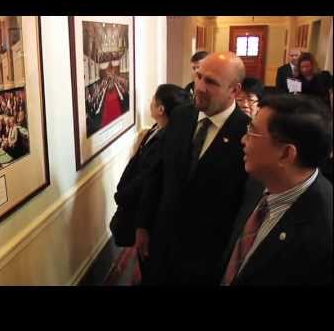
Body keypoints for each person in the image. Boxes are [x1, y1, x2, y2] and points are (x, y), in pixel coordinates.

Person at [139, 52, 250, 285]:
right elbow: (157, 173)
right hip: (161, 243)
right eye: (199, 76)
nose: (199, 86)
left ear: (235, 90)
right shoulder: (180, 115)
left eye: (211, 82)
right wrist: (143, 225)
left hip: (206, 257)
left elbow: (244, 205)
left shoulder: (246, 133)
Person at [220, 94, 332, 285]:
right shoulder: (261, 180)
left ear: (287, 154)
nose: (243, 140)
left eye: (252, 133)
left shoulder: (323, 230)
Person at [110, 84, 190, 250]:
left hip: (143, 212)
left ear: (161, 109)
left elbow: (147, 178)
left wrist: (123, 195)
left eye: (153, 100)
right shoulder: (156, 128)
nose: (150, 102)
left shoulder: (167, 141)